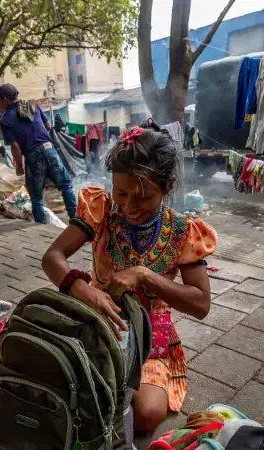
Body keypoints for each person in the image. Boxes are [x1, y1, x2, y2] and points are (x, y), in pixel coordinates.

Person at [41, 124, 217, 431]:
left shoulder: (182, 231)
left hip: (152, 339)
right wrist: (84, 290)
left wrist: (145, 275)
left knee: (147, 414)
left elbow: (201, 303)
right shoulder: (102, 210)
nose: (130, 207)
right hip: (96, 322)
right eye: (121, 193)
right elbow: (53, 257)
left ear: (168, 187)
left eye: (144, 197)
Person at [0, 83, 76, 224]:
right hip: (49, 150)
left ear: (5, 99)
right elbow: (48, 126)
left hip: (33, 157)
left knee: (36, 197)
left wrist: (19, 165)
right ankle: (75, 219)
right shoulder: (33, 105)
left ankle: (42, 227)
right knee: (66, 185)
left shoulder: (5, 120)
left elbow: (15, 147)